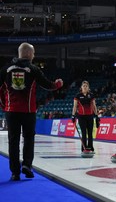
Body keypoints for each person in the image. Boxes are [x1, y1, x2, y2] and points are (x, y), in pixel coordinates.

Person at [0, 42, 63, 181]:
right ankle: (27, 165)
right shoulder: (33, 69)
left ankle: (15, 172)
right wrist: (58, 84)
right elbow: (48, 85)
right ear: (28, 54)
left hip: (11, 112)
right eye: (33, 53)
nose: (34, 56)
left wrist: (4, 104)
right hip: (28, 111)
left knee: (13, 141)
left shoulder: (6, 69)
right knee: (28, 138)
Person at [72, 81, 99, 153]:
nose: (85, 87)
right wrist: (73, 115)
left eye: (86, 86)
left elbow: (94, 106)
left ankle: (90, 147)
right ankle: (84, 148)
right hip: (81, 117)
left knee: (90, 133)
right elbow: (75, 106)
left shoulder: (91, 95)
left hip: (90, 116)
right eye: (83, 86)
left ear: (88, 88)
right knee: (84, 133)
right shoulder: (77, 95)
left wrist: (96, 116)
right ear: (81, 87)